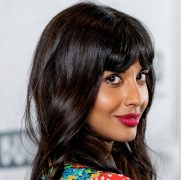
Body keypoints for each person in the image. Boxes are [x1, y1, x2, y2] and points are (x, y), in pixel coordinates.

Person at [24, 2, 156, 180]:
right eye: (113, 79)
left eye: (140, 77)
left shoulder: (55, 171)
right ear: (70, 87)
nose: (137, 98)